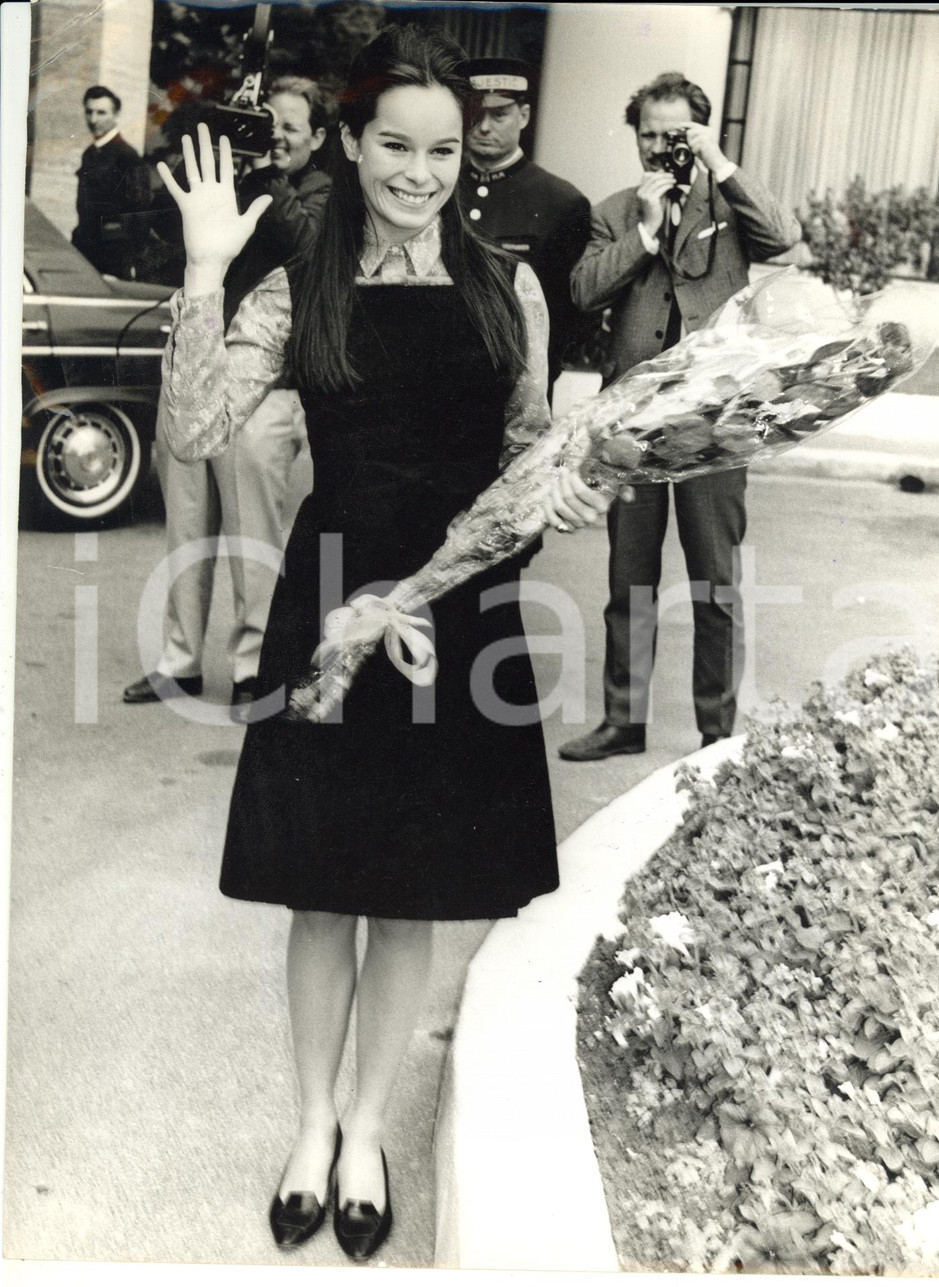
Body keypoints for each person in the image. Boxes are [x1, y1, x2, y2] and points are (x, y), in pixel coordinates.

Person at [153, 24, 612, 1260]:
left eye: (442, 149)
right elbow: (196, 430)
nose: (419, 171)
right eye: (394, 145)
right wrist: (204, 271)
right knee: (321, 891)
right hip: (335, 600)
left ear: (470, 156)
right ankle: (311, 1128)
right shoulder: (296, 280)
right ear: (352, 147)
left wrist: (563, 479)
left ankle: (365, 1130)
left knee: (407, 896)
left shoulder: (503, 282)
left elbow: (522, 447)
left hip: (460, 609)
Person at [559, 72, 801, 762]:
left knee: (714, 580)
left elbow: (784, 236)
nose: (661, 148)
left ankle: (717, 734)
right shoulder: (614, 209)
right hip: (634, 422)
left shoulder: (728, 205)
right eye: (649, 136)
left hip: (714, 419)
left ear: (698, 135)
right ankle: (623, 720)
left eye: (676, 136)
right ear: (634, 138)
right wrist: (642, 228)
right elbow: (582, 289)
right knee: (627, 576)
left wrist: (720, 165)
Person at [123, 78, 331, 719]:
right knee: (184, 526)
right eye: (265, 124)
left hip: (267, 388)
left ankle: (254, 666)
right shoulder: (227, 178)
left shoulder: (322, 192)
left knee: (251, 529)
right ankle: (179, 661)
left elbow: (309, 252)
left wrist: (269, 176)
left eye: (290, 127)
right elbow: (157, 232)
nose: (278, 136)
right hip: (195, 372)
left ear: (319, 137)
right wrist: (208, 155)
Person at [458, 57, 591, 400]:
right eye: (475, 114)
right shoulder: (441, 187)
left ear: (525, 115)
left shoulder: (561, 202)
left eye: (499, 114)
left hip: (514, 384)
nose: (484, 127)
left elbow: (566, 317)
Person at [72, 85, 150, 278]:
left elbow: (139, 211)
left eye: (101, 112)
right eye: (89, 112)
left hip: (111, 259)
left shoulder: (127, 156)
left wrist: (124, 261)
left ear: (116, 115)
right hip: (84, 251)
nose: (93, 119)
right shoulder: (89, 154)